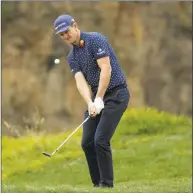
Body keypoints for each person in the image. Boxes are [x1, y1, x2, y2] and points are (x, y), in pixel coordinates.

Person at [54, 14, 130, 188]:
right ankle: (97, 185)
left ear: (75, 25)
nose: (66, 36)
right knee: (87, 142)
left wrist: (99, 98)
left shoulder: (96, 40)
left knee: (100, 140)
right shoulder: (72, 56)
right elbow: (80, 81)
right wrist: (90, 102)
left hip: (117, 94)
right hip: (97, 98)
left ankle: (106, 184)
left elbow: (106, 68)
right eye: (62, 35)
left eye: (67, 31)